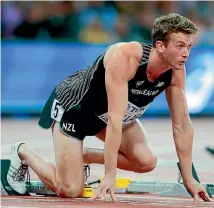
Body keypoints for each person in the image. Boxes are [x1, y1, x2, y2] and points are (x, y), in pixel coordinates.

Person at [7, 13, 212, 202]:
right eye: (180, 46)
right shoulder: (125, 58)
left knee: (146, 162)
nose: (186, 53)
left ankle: (81, 157)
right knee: (69, 189)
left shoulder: (176, 71)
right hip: (75, 112)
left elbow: (182, 125)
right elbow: (115, 119)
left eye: (189, 46)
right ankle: (22, 151)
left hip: (110, 117)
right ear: (160, 45)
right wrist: (109, 174)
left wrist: (189, 180)